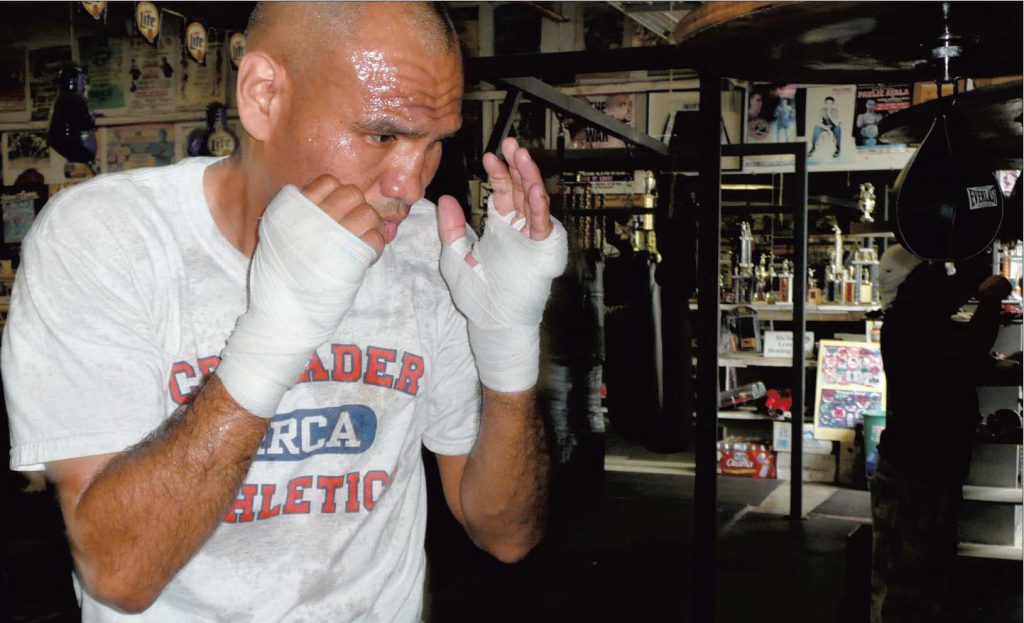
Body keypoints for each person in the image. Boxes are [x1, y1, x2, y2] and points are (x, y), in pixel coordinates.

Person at [2, 3, 566, 621]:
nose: (411, 185)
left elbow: (506, 534)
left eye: (434, 143)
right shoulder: (108, 239)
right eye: (381, 135)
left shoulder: (430, 251)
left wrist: (509, 351)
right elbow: (119, 573)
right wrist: (274, 338)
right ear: (263, 96)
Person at [870, 244, 1012, 623]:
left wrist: (972, 271)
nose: (938, 280)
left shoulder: (916, 317)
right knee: (906, 587)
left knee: (923, 579)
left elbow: (952, 295)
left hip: (926, 470)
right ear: (910, 286)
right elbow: (970, 345)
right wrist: (989, 299)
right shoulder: (908, 325)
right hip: (915, 474)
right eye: (927, 275)